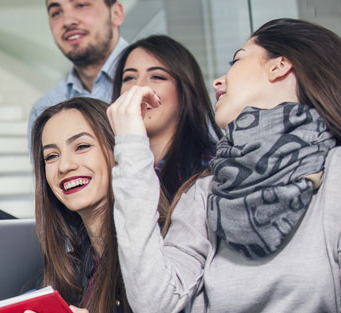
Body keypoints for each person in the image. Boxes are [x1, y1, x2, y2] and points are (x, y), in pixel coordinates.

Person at [107, 18, 341, 313]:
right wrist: (130, 147)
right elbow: (155, 303)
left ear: (278, 66)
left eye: (237, 60)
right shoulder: (205, 192)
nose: (218, 81)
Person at [30, 97, 132, 313]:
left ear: (119, 150)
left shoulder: (160, 245)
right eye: (51, 156)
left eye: (82, 146)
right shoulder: (74, 265)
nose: (65, 166)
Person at [111, 35, 221, 202]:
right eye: (129, 78)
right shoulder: (107, 168)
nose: (138, 88)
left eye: (157, 77)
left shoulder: (211, 168)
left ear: (185, 91)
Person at [28, 0, 127, 138]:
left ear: (116, 14)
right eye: (56, 13)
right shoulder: (45, 108)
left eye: (81, 5)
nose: (67, 21)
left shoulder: (160, 80)